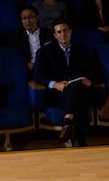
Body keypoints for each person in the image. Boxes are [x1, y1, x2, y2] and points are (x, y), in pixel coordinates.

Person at [35, 18, 93, 147]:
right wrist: (55, 84)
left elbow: (91, 70)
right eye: (59, 32)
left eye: (65, 31)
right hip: (58, 93)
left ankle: (68, 122)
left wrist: (89, 80)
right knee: (78, 97)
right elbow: (39, 76)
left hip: (79, 88)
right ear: (55, 35)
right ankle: (80, 139)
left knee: (76, 87)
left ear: (70, 32)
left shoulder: (82, 49)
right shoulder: (46, 51)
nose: (63, 34)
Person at [8, 5, 52, 77]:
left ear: (37, 18)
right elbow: (12, 54)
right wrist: (25, 63)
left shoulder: (49, 33)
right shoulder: (16, 36)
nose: (27, 21)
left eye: (30, 17)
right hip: (26, 69)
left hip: (47, 67)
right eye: (24, 18)